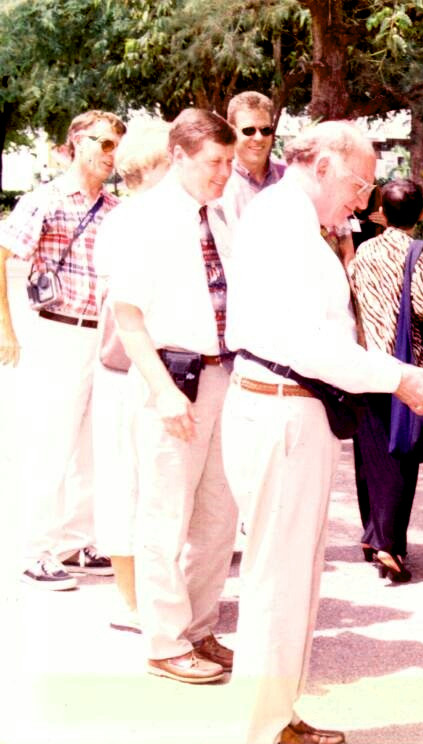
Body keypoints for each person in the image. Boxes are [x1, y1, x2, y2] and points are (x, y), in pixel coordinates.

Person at [220, 120, 423, 744]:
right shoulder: (282, 223)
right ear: (320, 163)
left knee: (294, 577)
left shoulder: (295, 221)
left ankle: (276, 715)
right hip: (283, 407)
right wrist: (400, 377)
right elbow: (310, 345)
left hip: (296, 409)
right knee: (278, 580)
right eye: (357, 181)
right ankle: (261, 729)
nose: (363, 198)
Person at [109, 108, 238, 684]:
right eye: (215, 162)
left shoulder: (224, 214)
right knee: (164, 515)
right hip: (172, 380)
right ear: (181, 156)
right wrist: (163, 392)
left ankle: (199, 626)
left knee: (218, 516)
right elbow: (129, 318)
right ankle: (163, 641)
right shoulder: (141, 220)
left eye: (230, 162)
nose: (225, 173)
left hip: (225, 377)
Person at [0, 109, 126, 589]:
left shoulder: (115, 209)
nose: (111, 154)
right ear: (76, 143)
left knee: (95, 445)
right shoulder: (45, 200)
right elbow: (3, 254)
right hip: (57, 331)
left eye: (116, 144)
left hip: (102, 335)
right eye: (103, 143)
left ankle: (78, 539)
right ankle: (38, 548)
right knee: (51, 442)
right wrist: (5, 328)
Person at [91, 117, 171, 632]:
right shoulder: (131, 222)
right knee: (126, 486)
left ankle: (152, 597)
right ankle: (132, 602)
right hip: (125, 370)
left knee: (152, 486)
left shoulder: (161, 219)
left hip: (151, 370)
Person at [349, 179, 423, 583]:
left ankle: (372, 533)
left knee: (369, 450)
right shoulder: (417, 252)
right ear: (421, 213)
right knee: (401, 452)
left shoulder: (364, 251)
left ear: (381, 214)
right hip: (405, 365)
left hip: (364, 362)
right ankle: (389, 544)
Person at [217, 91, 286, 230]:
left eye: (265, 130)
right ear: (232, 130)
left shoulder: (288, 176)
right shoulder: (218, 183)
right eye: (249, 130)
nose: (259, 138)